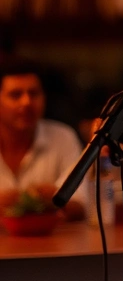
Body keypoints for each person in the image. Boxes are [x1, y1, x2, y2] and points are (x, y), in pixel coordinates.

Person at [0, 58, 86, 217]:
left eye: (33, 94)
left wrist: (45, 198)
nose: (26, 102)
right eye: (15, 95)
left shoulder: (63, 137)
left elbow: (80, 203)